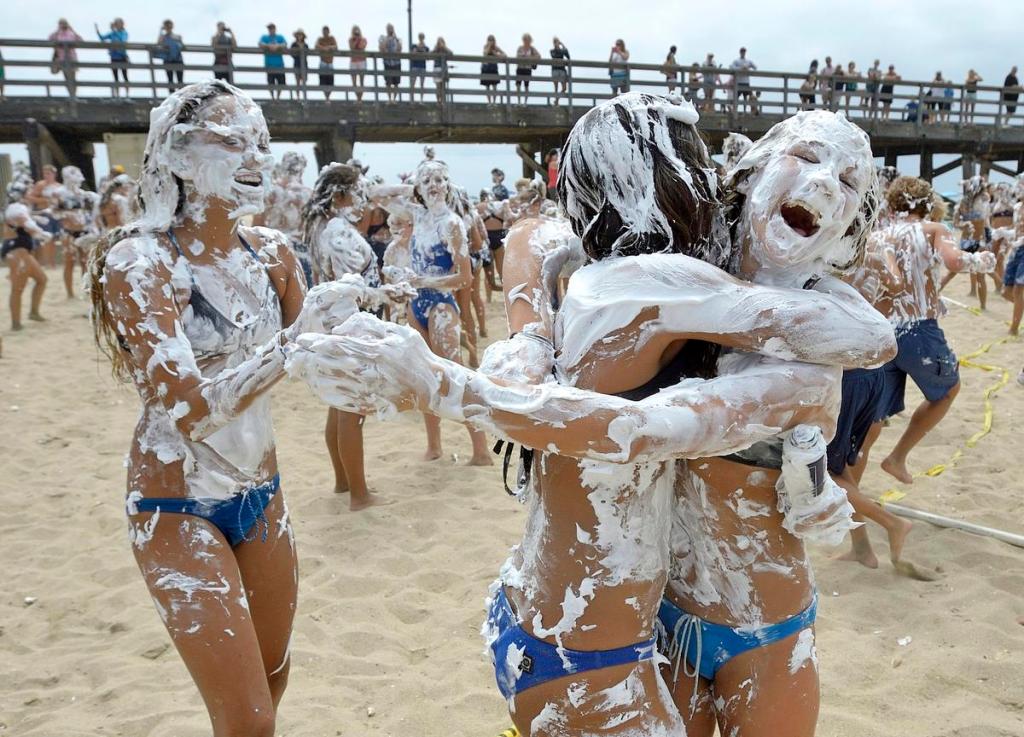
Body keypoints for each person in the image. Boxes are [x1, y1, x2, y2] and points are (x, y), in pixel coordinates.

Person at [289, 99, 892, 737]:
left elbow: (655, 426)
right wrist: (526, 340)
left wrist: (468, 371)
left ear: (853, 221)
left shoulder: (815, 341)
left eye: (849, 182)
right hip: (648, 619)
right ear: (740, 175)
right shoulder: (672, 274)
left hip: (762, 625)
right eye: (803, 157)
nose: (824, 183)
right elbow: (540, 244)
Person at [85, 79, 347, 736]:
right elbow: (189, 410)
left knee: (274, 670)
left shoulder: (273, 251)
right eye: (231, 140)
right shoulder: (141, 260)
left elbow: (322, 360)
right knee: (250, 718)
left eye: (258, 139)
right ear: (175, 153)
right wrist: (293, 343)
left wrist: (373, 334)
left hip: (262, 489)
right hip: (175, 499)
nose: (253, 155)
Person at [873, 176, 995, 485]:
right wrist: (982, 260)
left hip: (882, 330)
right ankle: (897, 457)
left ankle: (853, 475)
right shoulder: (933, 230)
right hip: (917, 327)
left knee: (876, 413)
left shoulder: (880, 235)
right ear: (928, 204)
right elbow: (955, 261)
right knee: (948, 390)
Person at [370, 161, 493, 465]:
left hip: (440, 306)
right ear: (419, 188)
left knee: (455, 378)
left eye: (439, 179)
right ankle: (434, 446)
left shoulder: (451, 224)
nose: (434, 184)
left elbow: (464, 277)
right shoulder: (416, 215)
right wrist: (411, 186)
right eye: (427, 180)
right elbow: (374, 193)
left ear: (448, 185)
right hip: (417, 305)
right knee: (423, 378)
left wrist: (421, 280)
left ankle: (480, 451)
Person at [301, 163, 406, 509]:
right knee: (352, 407)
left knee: (338, 404)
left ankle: (343, 483)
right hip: (349, 324)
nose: (363, 199)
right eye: (357, 191)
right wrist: (386, 294)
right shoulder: (340, 232)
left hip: (332, 323)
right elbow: (352, 289)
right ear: (340, 196)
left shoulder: (322, 228)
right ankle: (359, 495)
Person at [253, 151, 313, 285]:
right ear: (302, 169)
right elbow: (309, 232)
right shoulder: (307, 194)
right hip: (300, 252)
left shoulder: (269, 192)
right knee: (302, 299)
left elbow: (256, 226)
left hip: (272, 249)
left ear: (283, 166)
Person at [3, 199, 50, 330]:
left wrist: (38, 215)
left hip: (22, 250)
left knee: (42, 280)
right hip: (16, 250)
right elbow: (27, 223)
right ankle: (15, 323)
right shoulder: (15, 209)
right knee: (17, 288)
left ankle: (33, 313)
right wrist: (41, 232)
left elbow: (27, 219)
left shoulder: (20, 209)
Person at [947, 175, 992, 309]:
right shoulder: (964, 202)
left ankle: (983, 305)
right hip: (967, 241)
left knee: (980, 274)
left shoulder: (982, 199)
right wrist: (963, 225)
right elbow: (955, 223)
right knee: (954, 271)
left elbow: (985, 197)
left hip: (979, 241)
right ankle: (975, 293)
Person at [55, 165, 98, 299]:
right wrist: (67, 214)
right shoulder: (59, 193)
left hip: (84, 230)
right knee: (69, 261)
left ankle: (86, 291)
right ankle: (69, 293)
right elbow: (54, 212)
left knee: (85, 261)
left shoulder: (83, 194)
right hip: (68, 231)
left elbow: (90, 212)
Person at [25, 164, 63, 267]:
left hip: (55, 214)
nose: (46, 176)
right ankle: (45, 262)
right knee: (45, 238)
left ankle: (52, 262)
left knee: (54, 238)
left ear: (54, 174)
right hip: (43, 214)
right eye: (44, 174)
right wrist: (44, 200)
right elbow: (29, 197)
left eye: (48, 173)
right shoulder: (40, 185)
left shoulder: (59, 186)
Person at [1002, 177, 1024, 335]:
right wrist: (1004, 235)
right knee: (1006, 292)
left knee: (1018, 290)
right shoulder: (1017, 207)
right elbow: (1016, 228)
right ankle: (1020, 309)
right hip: (1016, 249)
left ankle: (1013, 329)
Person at [49, 18, 83, 97]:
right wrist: (57, 31)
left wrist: (73, 30)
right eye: (61, 23)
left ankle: (74, 95)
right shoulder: (57, 33)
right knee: (66, 78)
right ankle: (71, 95)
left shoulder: (71, 33)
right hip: (62, 58)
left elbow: (81, 40)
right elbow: (50, 39)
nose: (63, 25)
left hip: (72, 58)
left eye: (64, 23)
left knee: (73, 78)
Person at [96, 17, 129, 97]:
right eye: (116, 23)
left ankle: (127, 95)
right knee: (116, 77)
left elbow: (122, 41)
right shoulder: (112, 33)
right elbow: (102, 38)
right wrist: (97, 30)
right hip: (114, 57)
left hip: (122, 57)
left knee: (125, 76)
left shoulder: (124, 33)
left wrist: (114, 31)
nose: (116, 25)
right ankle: (117, 95)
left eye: (118, 23)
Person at [156, 19, 185, 93]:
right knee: (170, 80)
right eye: (166, 25)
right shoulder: (163, 37)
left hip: (178, 59)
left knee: (180, 80)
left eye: (169, 25)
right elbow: (158, 43)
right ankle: (172, 96)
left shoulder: (178, 36)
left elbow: (182, 46)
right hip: (168, 60)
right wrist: (160, 31)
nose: (168, 27)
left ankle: (181, 97)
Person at [259, 23, 287, 100]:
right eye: (269, 28)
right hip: (269, 64)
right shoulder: (264, 37)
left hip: (280, 64)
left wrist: (277, 46)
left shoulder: (280, 37)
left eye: (272, 28)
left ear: (275, 29)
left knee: (281, 83)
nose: (271, 30)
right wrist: (269, 46)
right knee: (271, 83)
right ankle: (273, 98)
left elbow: (285, 44)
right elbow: (260, 44)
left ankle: (277, 98)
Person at [515, 33, 541, 105]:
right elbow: (517, 56)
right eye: (525, 39)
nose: (526, 41)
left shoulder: (532, 49)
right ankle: (519, 102)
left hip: (527, 69)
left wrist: (529, 57)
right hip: (520, 68)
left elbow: (539, 56)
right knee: (518, 86)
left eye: (528, 39)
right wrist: (523, 56)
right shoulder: (520, 48)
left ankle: (525, 102)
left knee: (526, 86)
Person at [380, 23, 403, 103]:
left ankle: (394, 99)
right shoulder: (382, 38)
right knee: (388, 82)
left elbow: (399, 50)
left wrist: (395, 38)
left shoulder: (398, 39)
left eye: (391, 28)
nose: (390, 30)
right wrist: (388, 39)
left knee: (396, 82)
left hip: (396, 63)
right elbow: (382, 49)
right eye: (389, 28)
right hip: (387, 63)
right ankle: (389, 99)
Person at [729, 46, 756, 113]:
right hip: (739, 82)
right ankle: (734, 111)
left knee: (746, 98)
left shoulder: (748, 61)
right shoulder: (736, 61)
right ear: (740, 52)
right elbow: (731, 67)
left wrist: (748, 67)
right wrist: (740, 68)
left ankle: (745, 111)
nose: (743, 53)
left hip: (746, 82)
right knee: (736, 98)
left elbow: (755, 67)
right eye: (742, 51)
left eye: (744, 51)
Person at [481, 35, 505, 105]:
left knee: (494, 86)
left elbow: (504, 55)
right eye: (489, 40)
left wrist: (496, 54)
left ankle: (494, 102)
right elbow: (485, 54)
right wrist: (489, 46)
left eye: (492, 40)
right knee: (487, 86)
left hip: (493, 67)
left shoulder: (496, 48)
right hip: (486, 68)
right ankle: (489, 102)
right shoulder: (485, 46)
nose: (491, 41)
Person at [315, 26, 337, 99]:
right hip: (323, 62)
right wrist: (324, 48)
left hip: (330, 62)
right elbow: (316, 45)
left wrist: (330, 48)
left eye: (326, 31)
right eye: (324, 31)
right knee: (323, 81)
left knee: (330, 81)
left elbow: (335, 46)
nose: (325, 32)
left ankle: (328, 97)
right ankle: (326, 97)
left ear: (328, 31)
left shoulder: (332, 38)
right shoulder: (320, 39)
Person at [409, 32, 430, 102]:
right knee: (413, 83)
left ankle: (421, 100)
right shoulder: (414, 46)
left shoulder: (426, 48)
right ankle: (412, 100)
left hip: (422, 66)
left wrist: (424, 51)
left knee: (422, 84)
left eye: (422, 37)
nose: (421, 38)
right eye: (420, 37)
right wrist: (417, 49)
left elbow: (428, 58)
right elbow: (412, 55)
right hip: (415, 66)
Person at [431, 36, 453, 104]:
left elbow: (451, 53)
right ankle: (438, 101)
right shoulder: (435, 50)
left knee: (443, 86)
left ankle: (443, 101)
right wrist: (436, 48)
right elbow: (430, 54)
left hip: (444, 69)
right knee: (438, 86)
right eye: (439, 42)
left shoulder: (445, 50)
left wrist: (444, 47)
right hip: (437, 68)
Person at [290, 29, 309, 99]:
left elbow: (307, 53)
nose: (299, 36)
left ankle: (304, 96)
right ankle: (298, 97)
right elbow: (291, 54)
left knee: (304, 81)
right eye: (298, 34)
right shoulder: (293, 44)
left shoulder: (306, 45)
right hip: (297, 64)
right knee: (297, 81)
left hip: (304, 64)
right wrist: (298, 52)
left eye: (300, 34)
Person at [550, 37, 570, 105]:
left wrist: (563, 45)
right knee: (556, 87)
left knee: (564, 88)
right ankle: (556, 102)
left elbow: (568, 56)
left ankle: (556, 100)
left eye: (558, 42)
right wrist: (561, 49)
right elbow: (556, 55)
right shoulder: (552, 51)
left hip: (562, 70)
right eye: (555, 42)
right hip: (555, 70)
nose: (556, 43)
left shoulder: (562, 50)